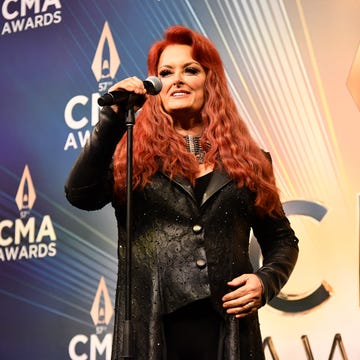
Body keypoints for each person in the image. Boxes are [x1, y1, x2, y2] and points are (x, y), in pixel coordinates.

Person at [65, 25, 299, 360]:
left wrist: (265, 282)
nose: (177, 79)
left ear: (210, 80)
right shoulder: (129, 156)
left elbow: (282, 240)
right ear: (155, 87)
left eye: (190, 69)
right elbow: (80, 194)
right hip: (153, 332)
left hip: (227, 330)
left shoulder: (251, 161)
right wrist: (111, 121)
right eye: (165, 73)